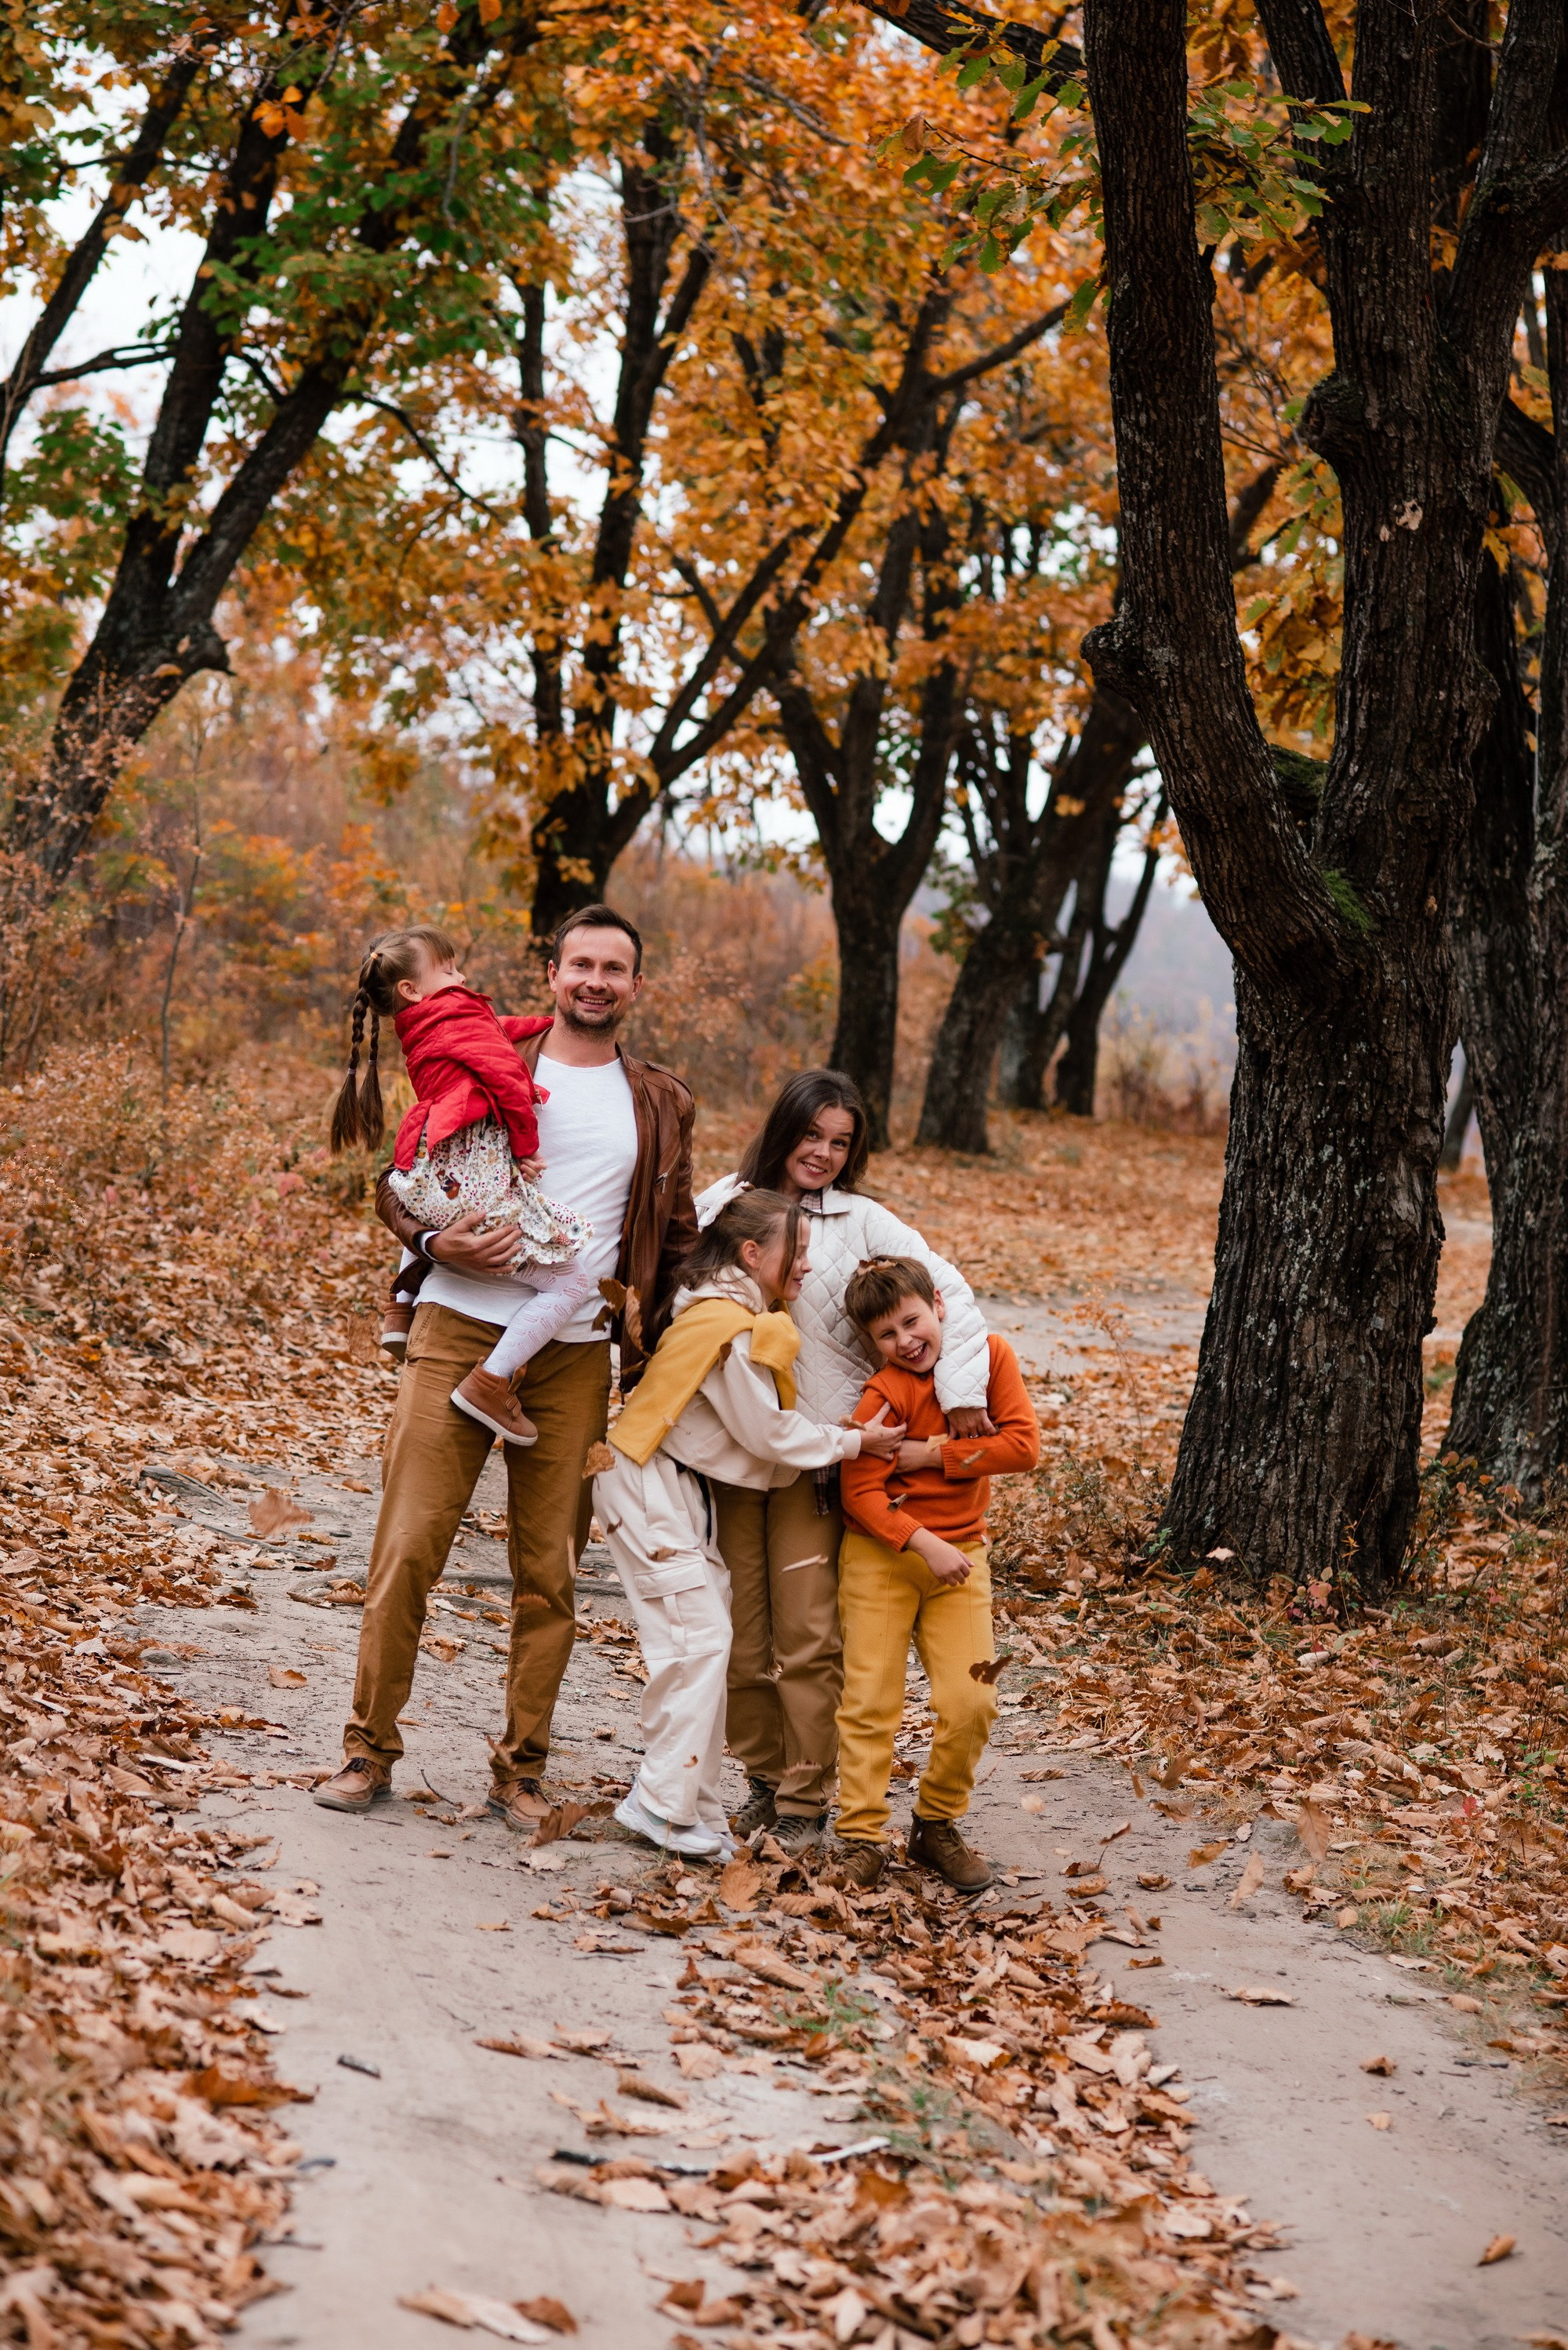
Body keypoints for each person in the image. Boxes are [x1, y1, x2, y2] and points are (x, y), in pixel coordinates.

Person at [314, 905, 697, 1829]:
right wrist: (436, 1241)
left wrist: (670, 1342)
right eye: (580, 965)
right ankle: (368, 1751)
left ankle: (520, 1771)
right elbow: (397, 1181)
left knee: (550, 1575)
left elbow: (673, 1231)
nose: (595, 980)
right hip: (456, 1328)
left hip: (570, 1359)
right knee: (408, 1549)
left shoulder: (660, 1099)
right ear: (554, 975)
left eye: (614, 967)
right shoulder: (488, 1051)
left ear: (633, 986)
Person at [695, 1069, 993, 1853]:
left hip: (824, 1458)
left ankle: (804, 1796)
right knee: (736, 1631)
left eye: (840, 1142)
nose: (823, 1153)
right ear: (782, 1127)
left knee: (804, 1634)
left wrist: (961, 1390)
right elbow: (677, 1296)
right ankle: (762, 1776)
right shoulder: (723, 1203)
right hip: (731, 1451)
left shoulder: (862, 1222)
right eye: (811, 1134)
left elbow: (949, 1295)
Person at [593, 1191, 902, 1858]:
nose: (808, 1265)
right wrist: (853, 1442)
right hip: (643, 1479)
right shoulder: (728, 1323)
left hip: (672, 1486)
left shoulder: (727, 1310)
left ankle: (689, 1805)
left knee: (705, 1636)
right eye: (797, 1251)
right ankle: (661, 1803)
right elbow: (765, 1432)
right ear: (752, 1253)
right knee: (699, 1640)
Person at [327, 925, 597, 1449]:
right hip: (475, 1169)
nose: (462, 976)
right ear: (412, 987)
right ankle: (491, 1380)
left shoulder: (425, 1023)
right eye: (449, 970)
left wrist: (544, 1025)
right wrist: (525, 1146)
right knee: (570, 1283)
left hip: (430, 1160)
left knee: (424, 1201)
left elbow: (492, 1030)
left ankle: (399, 1307)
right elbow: (507, 1079)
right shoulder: (458, 1019)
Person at [833, 1253, 1040, 1894]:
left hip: (962, 1559)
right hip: (882, 1557)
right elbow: (860, 1492)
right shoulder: (884, 1392)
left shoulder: (991, 1358)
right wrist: (919, 1540)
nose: (906, 1341)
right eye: (887, 1335)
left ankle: (935, 1825)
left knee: (973, 1698)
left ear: (939, 1306)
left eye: (913, 1320)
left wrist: (932, 1454)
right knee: (871, 1700)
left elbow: (1022, 1446)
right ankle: (861, 1835)